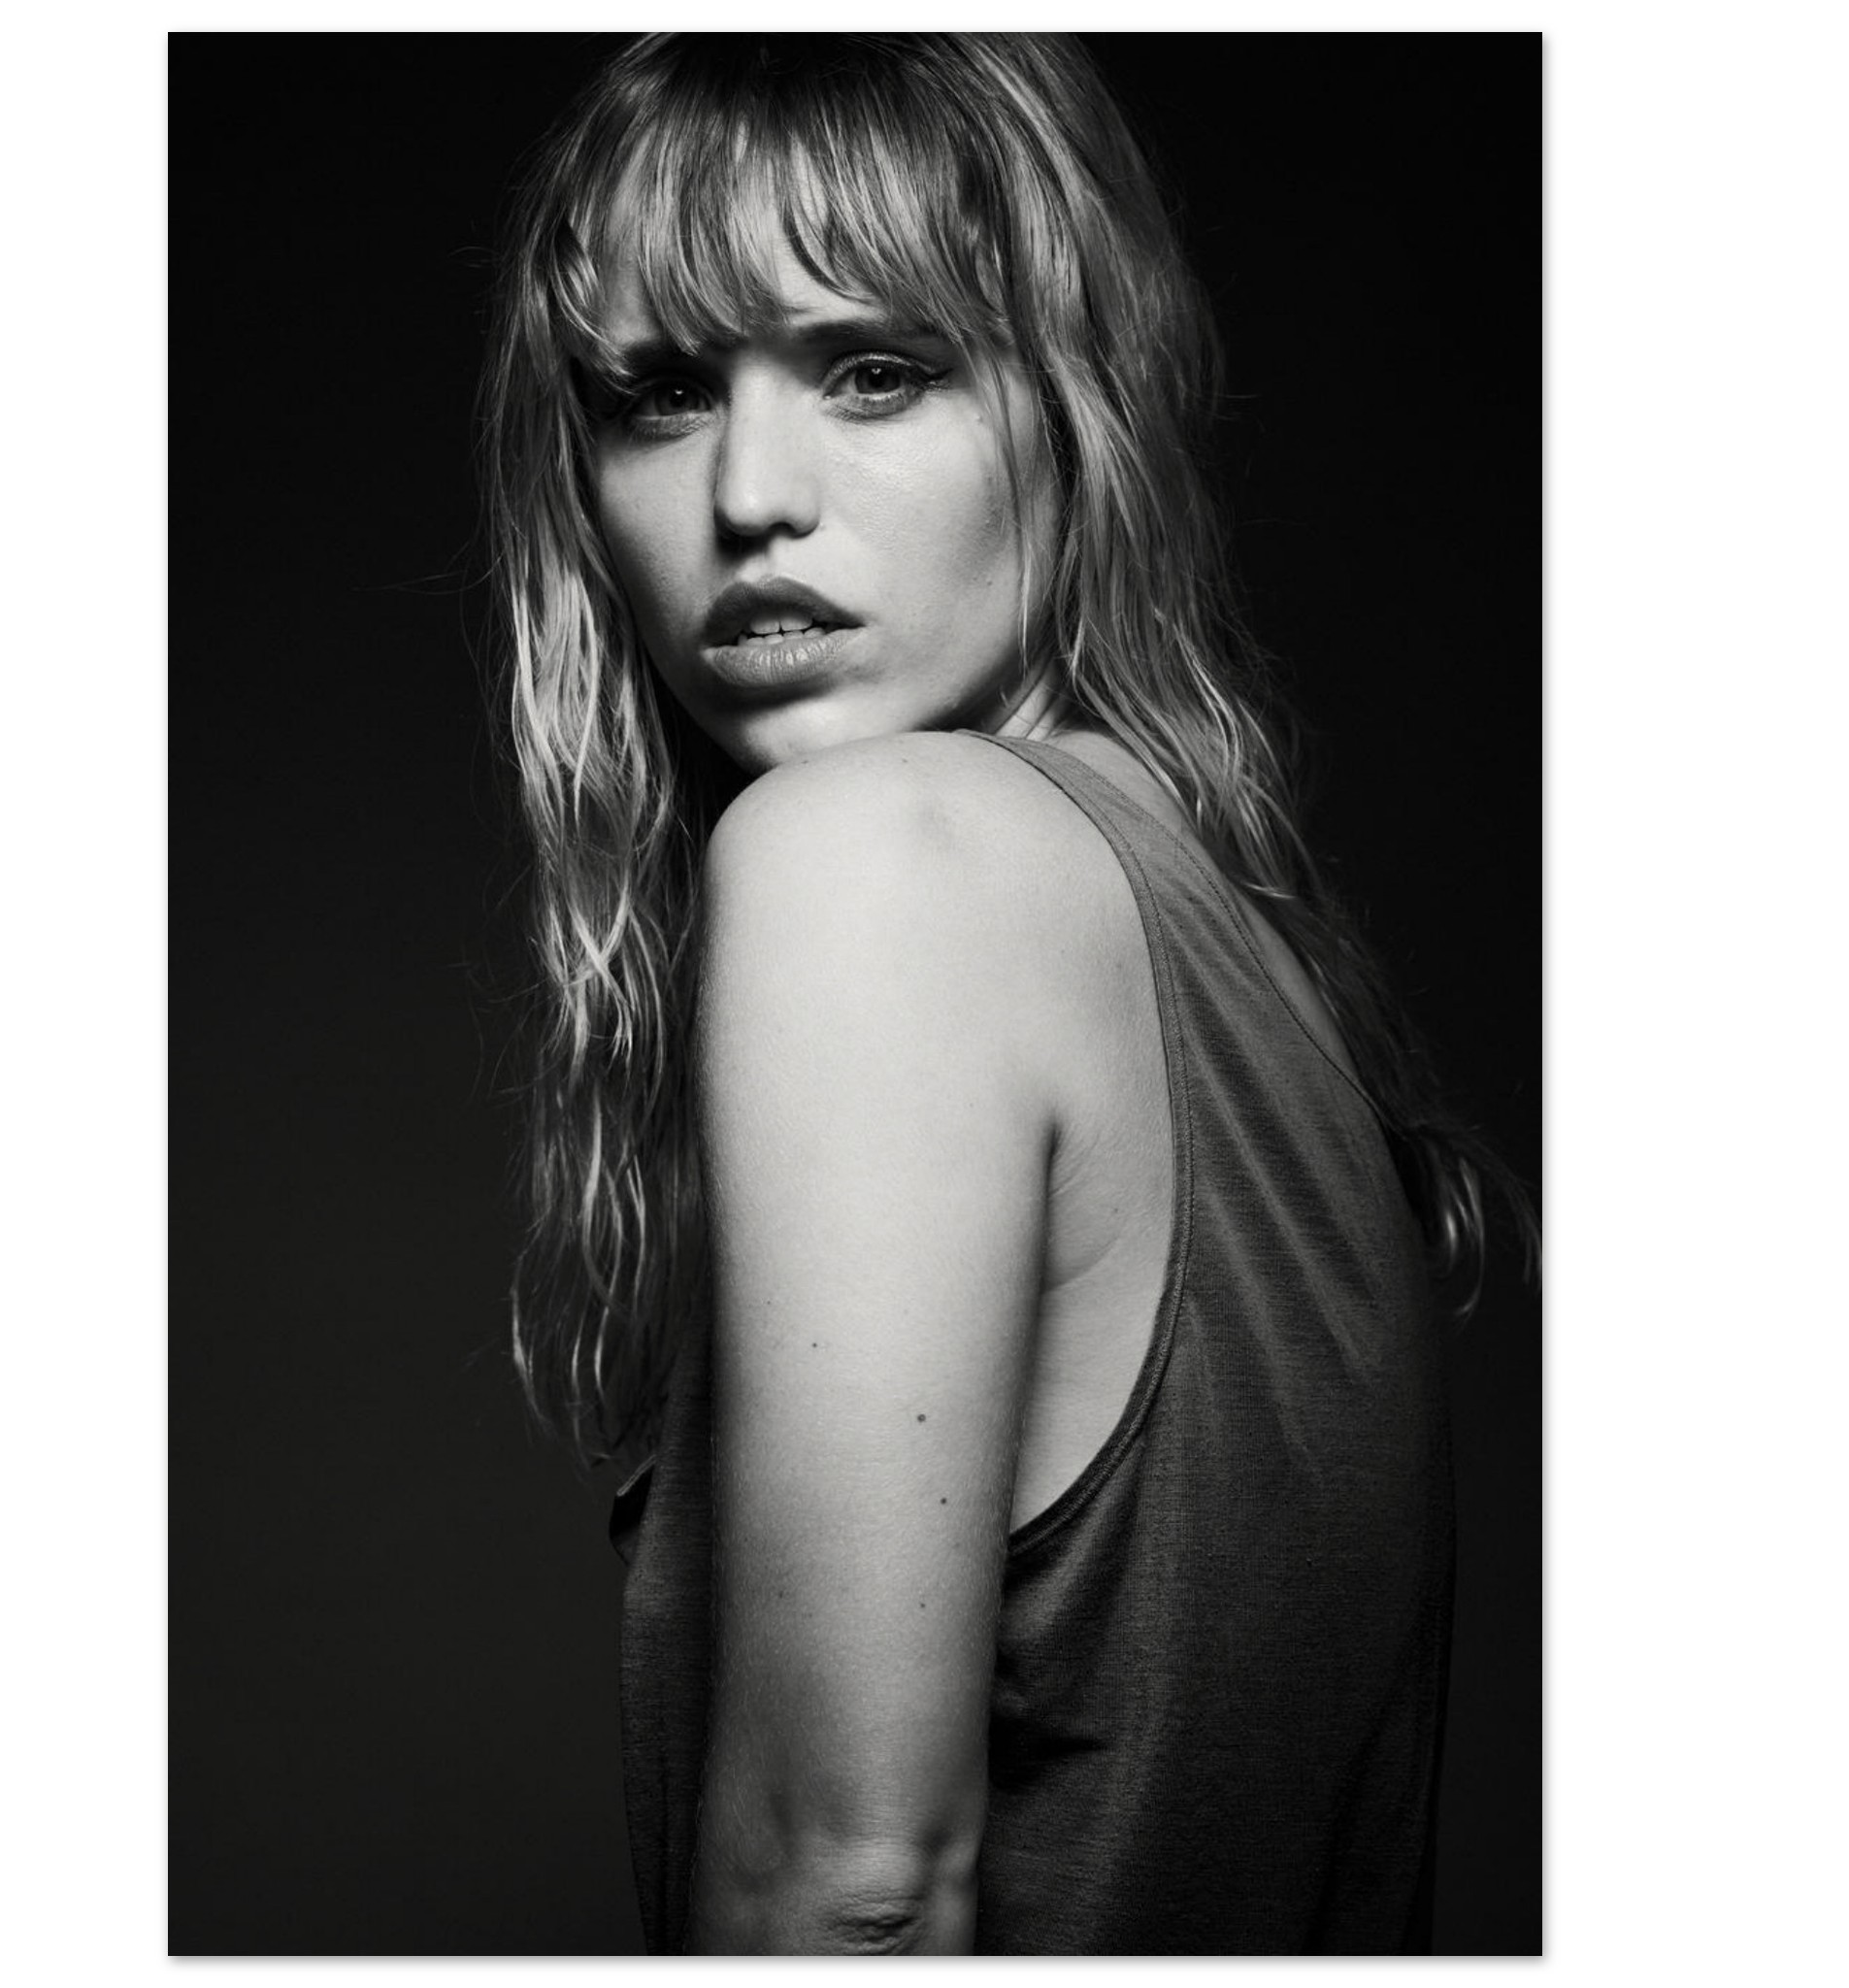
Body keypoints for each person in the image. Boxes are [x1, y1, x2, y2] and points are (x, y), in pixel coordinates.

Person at [480, 32, 1533, 1956]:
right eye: (660, 392)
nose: (751, 495)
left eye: (875, 368)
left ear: (1072, 402)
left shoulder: (882, 863)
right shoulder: (1216, 934)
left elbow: (851, 1886)